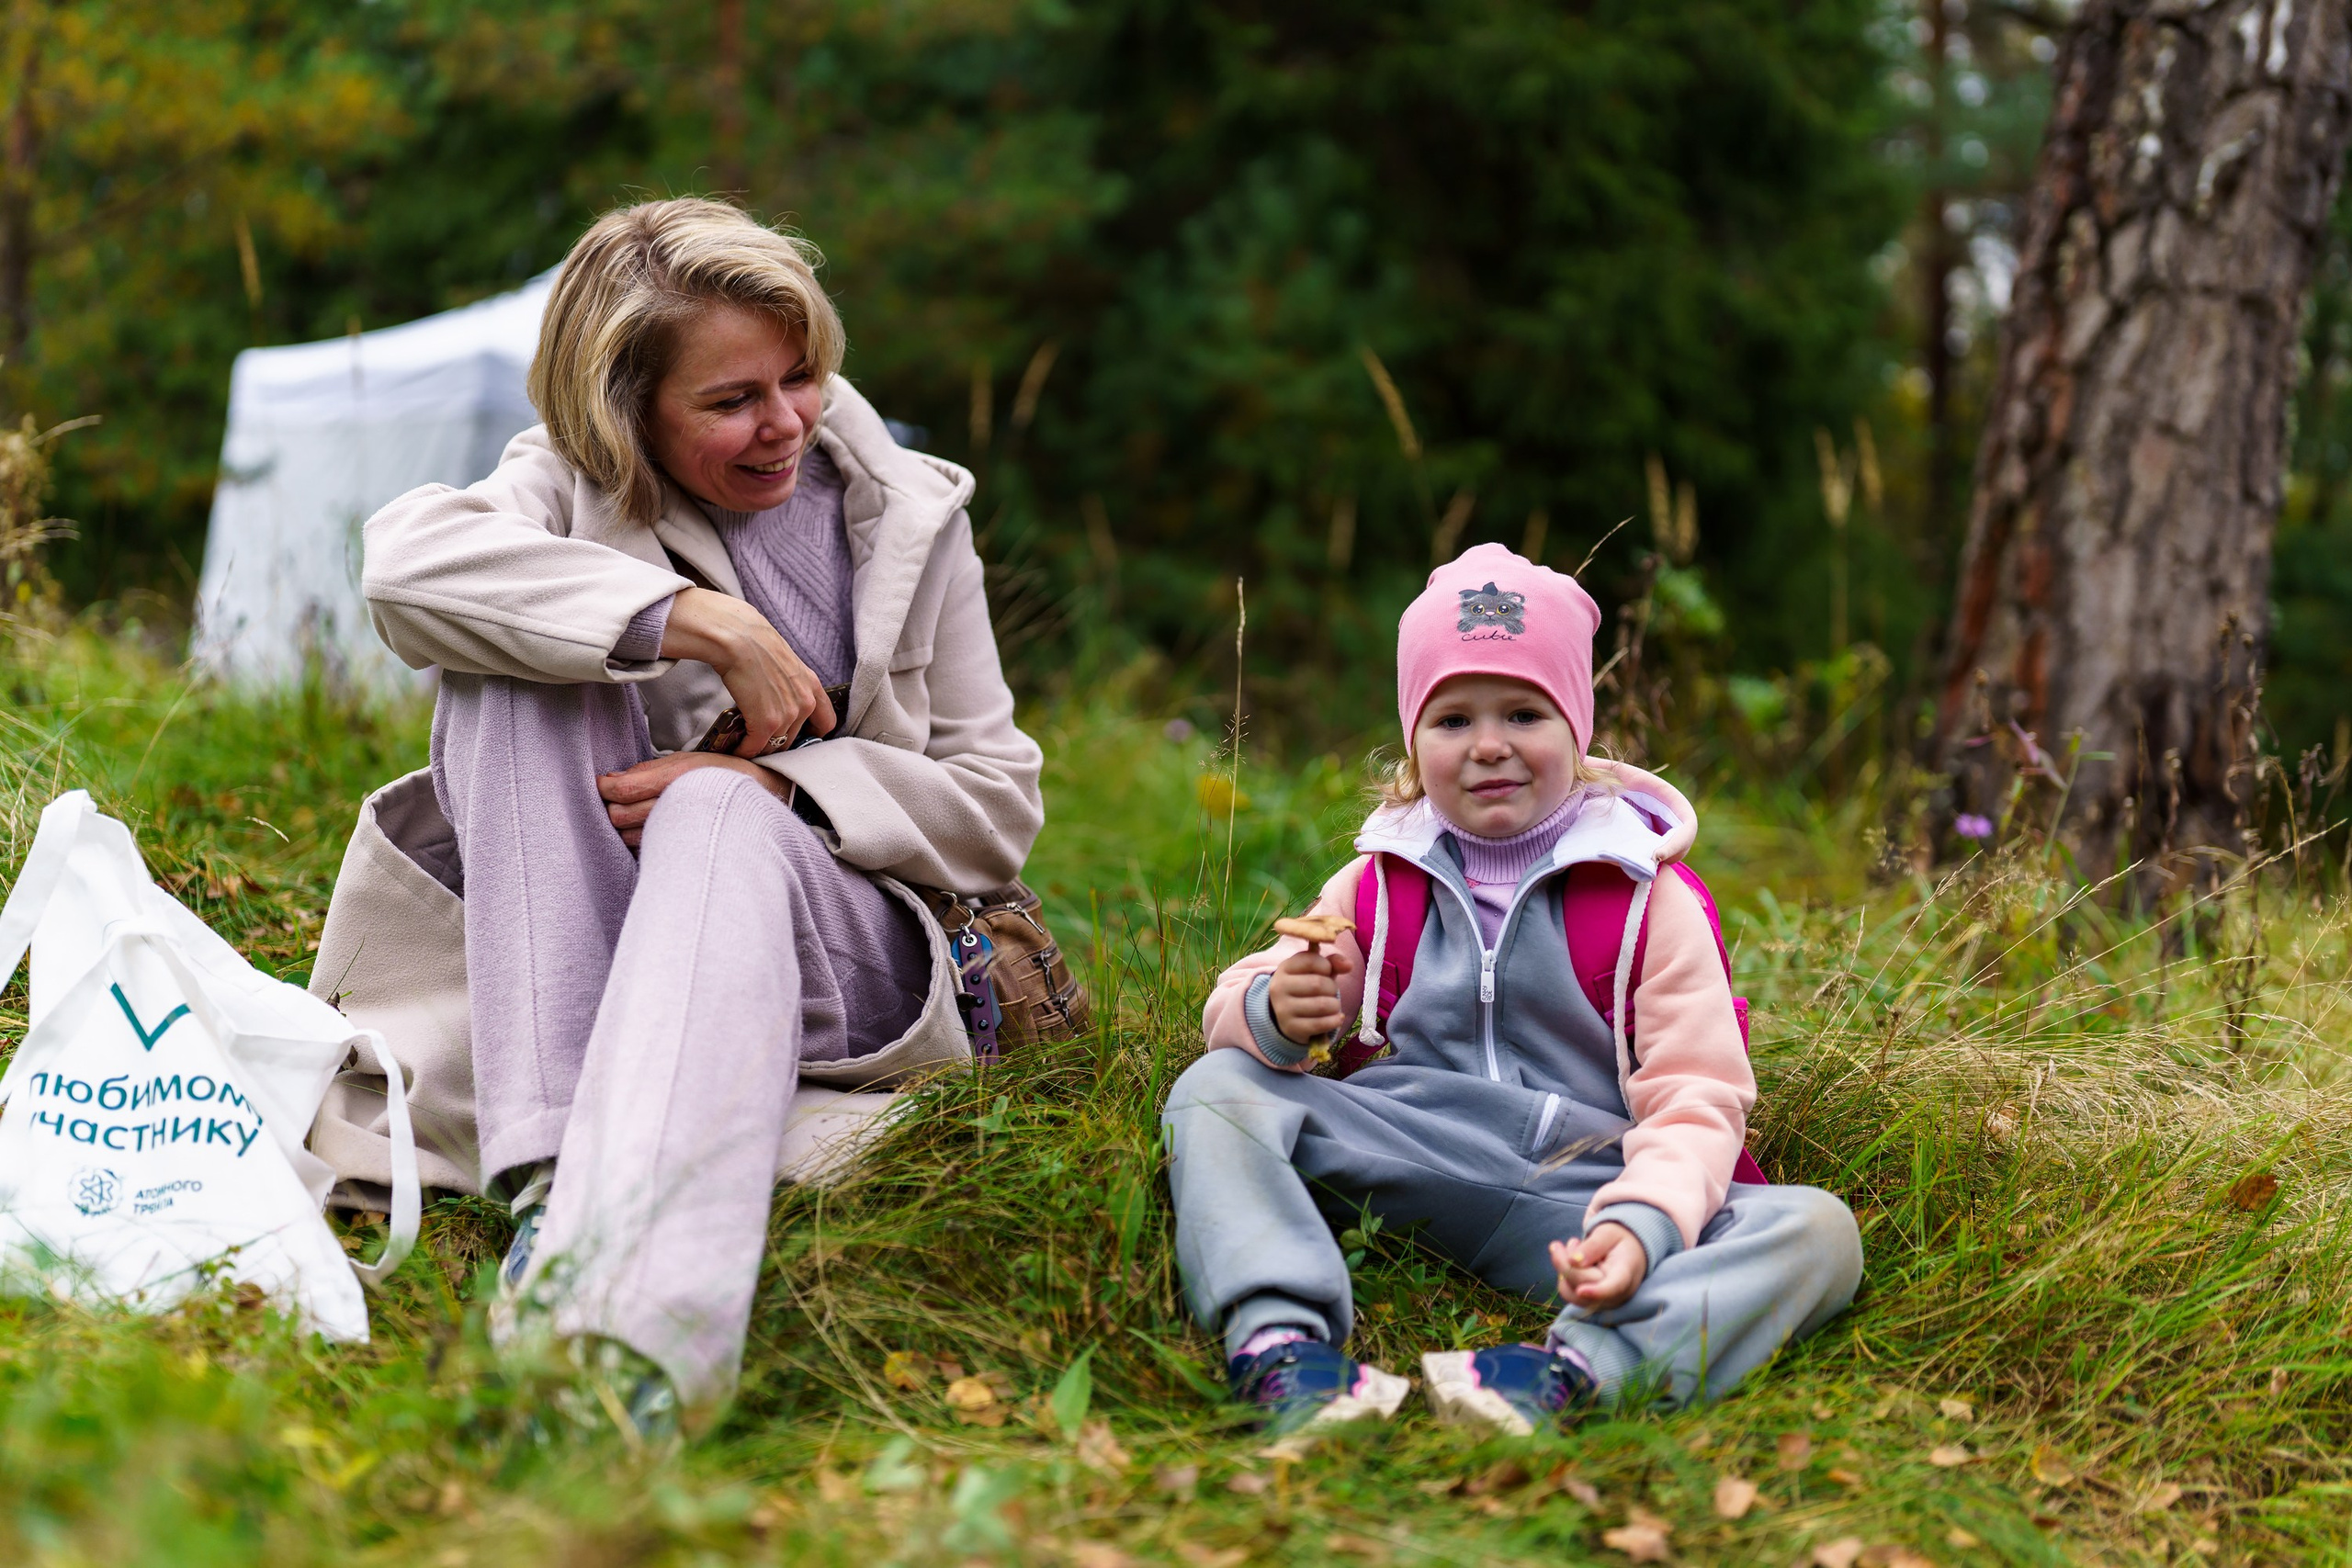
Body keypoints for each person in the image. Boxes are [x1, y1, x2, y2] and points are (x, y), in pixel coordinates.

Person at [343, 197, 1042, 1430]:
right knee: (513, 674)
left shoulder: (913, 514)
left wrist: (780, 783)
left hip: (852, 944)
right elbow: (402, 567)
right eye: (730, 402)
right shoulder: (563, 485)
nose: (784, 423)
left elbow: (997, 806)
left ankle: (632, 1353)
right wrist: (692, 618)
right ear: (629, 412)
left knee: (717, 813)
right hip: (612, 936)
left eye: (802, 376)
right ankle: (561, 1194)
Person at [1163, 543, 1861, 1437]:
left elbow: (1698, 1093)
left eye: (1524, 712)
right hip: (1405, 1153)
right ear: (1414, 741)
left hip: (1581, 1193)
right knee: (1217, 1090)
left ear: (1577, 726)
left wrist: (1643, 1222)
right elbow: (1264, 990)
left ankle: (1563, 1373)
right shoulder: (1377, 884)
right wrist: (1276, 1007)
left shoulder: (1649, 902)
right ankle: (1286, 1350)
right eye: (1451, 719)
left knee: (1817, 1230)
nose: (1488, 745)